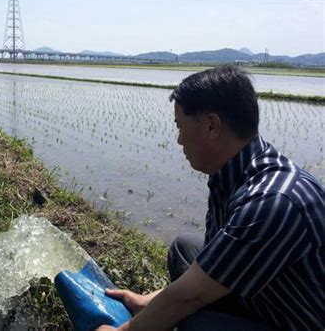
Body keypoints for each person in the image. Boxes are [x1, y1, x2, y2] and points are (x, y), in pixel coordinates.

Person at [96, 65, 324, 331]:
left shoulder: (273, 202)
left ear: (211, 126)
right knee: (185, 249)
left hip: (300, 323)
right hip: (267, 299)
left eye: (180, 126)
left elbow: (190, 296)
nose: (179, 140)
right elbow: (211, 268)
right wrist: (147, 302)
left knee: (194, 322)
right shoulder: (232, 176)